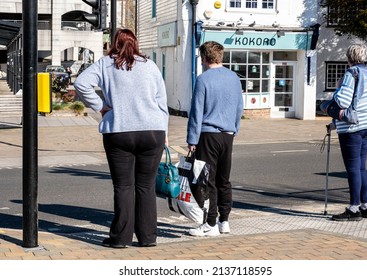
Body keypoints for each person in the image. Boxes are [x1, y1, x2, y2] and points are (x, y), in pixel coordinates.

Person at [74, 29, 169, 247]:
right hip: (152, 131)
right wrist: (164, 132)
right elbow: (161, 102)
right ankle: (148, 238)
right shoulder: (150, 65)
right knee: (146, 186)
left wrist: (101, 107)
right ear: (135, 43)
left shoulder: (105, 63)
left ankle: (120, 238)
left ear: (114, 43)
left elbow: (81, 83)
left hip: (119, 131)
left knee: (124, 186)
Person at [186, 41, 243, 236]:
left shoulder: (203, 80)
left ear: (204, 58)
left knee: (207, 180)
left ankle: (209, 223)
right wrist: (234, 129)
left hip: (208, 135)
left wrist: (192, 139)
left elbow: (197, 112)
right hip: (228, 135)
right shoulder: (234, 78)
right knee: (224, 179)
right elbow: (239, 108)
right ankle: (224, 221)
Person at [330, 43, 367, 221]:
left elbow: (343, 101)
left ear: (349, 57)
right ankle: (365, 206)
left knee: (352, 168)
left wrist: (336, 89)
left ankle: (353, 209)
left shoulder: (351, 73)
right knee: (361, 167)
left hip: (352, 127)